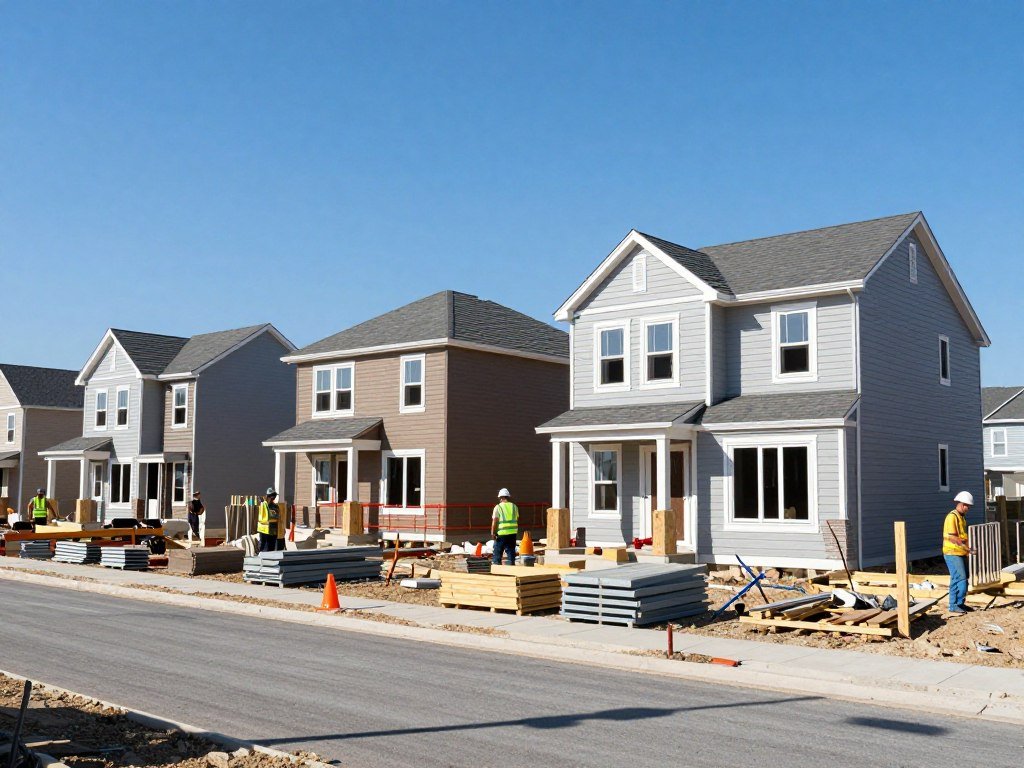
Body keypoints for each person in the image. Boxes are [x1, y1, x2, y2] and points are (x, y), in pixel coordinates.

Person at [943, 491, 975, 616]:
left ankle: (958, 604)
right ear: (962, 504)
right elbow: (953, 537)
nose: (969, 508)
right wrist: (968, 549)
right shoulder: (952, 517)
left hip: (959, 552)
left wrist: (968, 548)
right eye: (968, 506)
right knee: (960, 579)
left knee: (961, 578)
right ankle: (954, 605)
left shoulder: (961, 517)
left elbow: (962, 537)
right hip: (952, 552)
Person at [491, 488, 519, 566]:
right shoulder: (514, 506)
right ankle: (512, 567)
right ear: (508, 497)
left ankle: (497, 567)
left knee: (498, 552)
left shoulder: (498, 507)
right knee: (511, 552)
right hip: (512, 533)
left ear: (500, 498)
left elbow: (495, 521)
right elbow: (516, 518)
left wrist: (493, 532)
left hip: (502, 533)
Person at [257, 488, 281, 553]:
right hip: (264, 528)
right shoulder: (262, 504)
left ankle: (269, 557)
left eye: (275, 496)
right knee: (262, 544)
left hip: (272, 529)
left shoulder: (275, 506)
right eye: (273, 496)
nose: (274, 498)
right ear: (269, 496)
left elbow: (276, 516)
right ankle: (259, 556)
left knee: (271, 546)